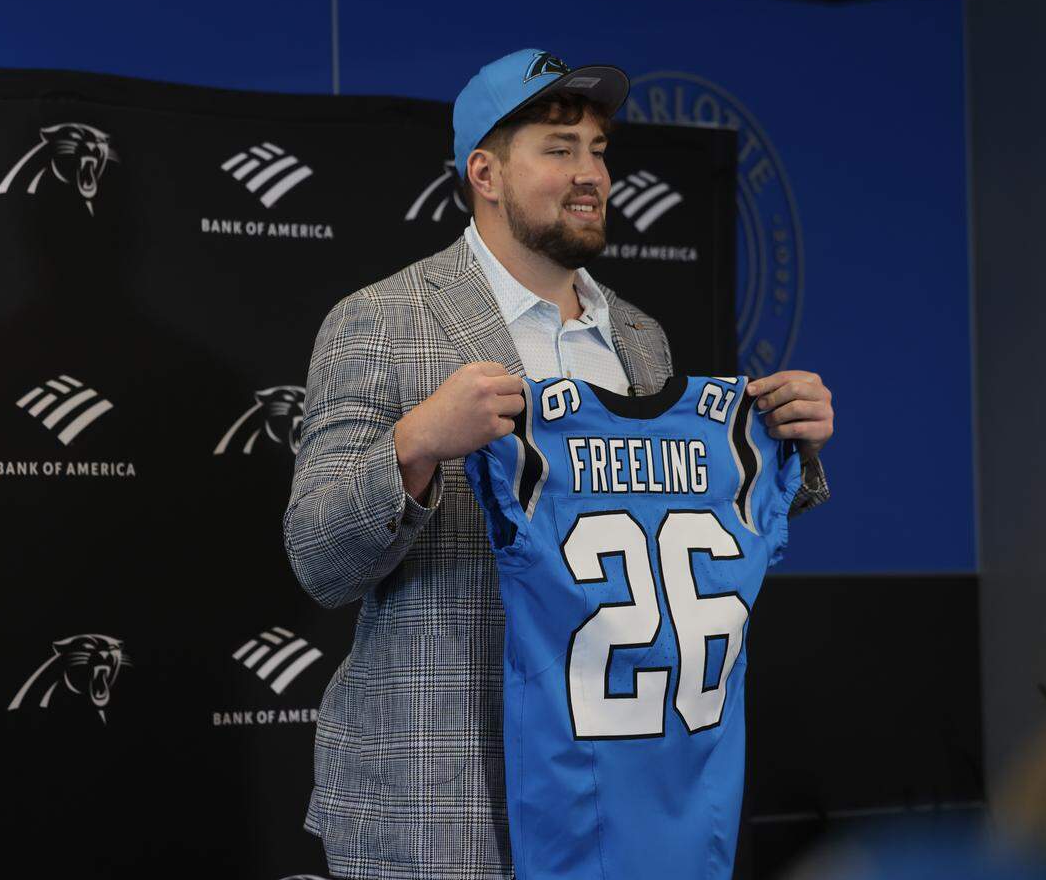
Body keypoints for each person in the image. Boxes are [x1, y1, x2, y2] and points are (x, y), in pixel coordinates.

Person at [283, 47, 834, 880]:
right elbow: (318, 559)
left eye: (599, 150)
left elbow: (669, 535)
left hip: (612, 803)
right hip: (445, 803)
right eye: (558, 147)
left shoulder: (640, 341)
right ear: (486, 173)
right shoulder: (382, 321)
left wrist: (791, 447)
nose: (591, 174)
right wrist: (416, 444)